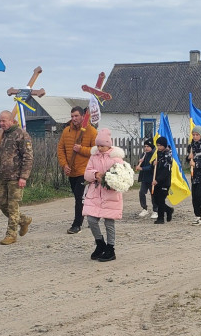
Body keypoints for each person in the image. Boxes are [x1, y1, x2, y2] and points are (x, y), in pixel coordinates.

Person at [0, 110, 34, 245]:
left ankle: (11, 235)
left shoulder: (21, 135)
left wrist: (23, 177)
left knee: (13, 205)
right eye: (0, 121)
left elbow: (28, 157)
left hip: (15, 177)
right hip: (1, 176)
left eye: (4, 121)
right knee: (2, 204)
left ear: (11, 120)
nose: (1, 123)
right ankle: (23, 220)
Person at [83, 128, 126, 262]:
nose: (100, 148)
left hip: (110, 194)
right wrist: (95, 174)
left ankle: (110, 248)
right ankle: (100, 243)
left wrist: (110, 179)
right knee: (91, 219)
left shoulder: (116, 158)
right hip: (95, 192)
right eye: (98, 145)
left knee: (109, 222)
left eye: (102, 145)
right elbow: (87, 172)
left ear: (108, 144)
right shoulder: (93, 156)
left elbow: (121, 175)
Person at [57, 106, 98, 233]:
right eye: (72, 116)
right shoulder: (66, 131)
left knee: (79, 197)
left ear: (82, 116)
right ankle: (93, 216)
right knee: (79, 197)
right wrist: (64, 165)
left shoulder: (91, 131)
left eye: (76, 116)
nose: (74, 118)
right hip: (72, 171)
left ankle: (77, 224)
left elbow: (96, 151)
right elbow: (61, 149)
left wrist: (81, 149)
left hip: (85, 171)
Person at [150, 136, 175, 224]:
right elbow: (153, 167)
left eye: (160, 145)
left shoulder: (168, 155)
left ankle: (160, 218)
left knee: (161, 200)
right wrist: (153, 164)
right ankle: (168, 210)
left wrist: (158, 180)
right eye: (157, 145)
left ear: (164, 145)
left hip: (164, 182)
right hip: (156, 180)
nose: (159, 147)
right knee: (156, 200)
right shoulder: (158, 153)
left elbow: (166, 171)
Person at [133, 137, 155, 217]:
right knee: (142, 192)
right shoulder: (144, 154)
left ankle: (155, 210)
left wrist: (142, 168)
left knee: (153, 194)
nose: (146, 148)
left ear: (151, 146)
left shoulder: (154, 155)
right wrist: (140, 163)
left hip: (152, 177)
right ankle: (144, 209)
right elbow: (142, 165)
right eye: (145, 146)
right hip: (144, 178)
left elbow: (151, 167)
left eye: (148, 146)